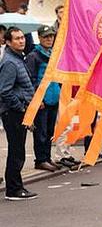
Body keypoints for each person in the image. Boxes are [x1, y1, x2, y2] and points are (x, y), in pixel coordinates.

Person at [1, 28, 38, 200]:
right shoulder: (10, 63)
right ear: (8, 42)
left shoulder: (18, 58)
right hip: (13, 112)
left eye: (22, 37)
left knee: (18, 150)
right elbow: (5, 91)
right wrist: (21, 107)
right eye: (17, 39)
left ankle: (16, 186)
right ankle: (13, 189)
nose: (21, 41)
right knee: (16, 151)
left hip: (19, 110)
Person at [23, 26, 60, 173]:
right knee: (41, 133)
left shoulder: (53, 54)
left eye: (51, 36)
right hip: (41, 101)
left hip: (54, 99)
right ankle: (40, 160)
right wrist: (36, 100)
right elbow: (29, 80)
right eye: (46, 37)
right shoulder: (33, 56)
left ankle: (47, 157)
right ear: (39, 38)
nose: (49, 39)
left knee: (50, 132)